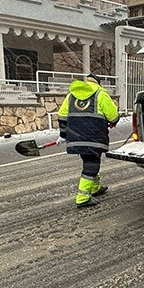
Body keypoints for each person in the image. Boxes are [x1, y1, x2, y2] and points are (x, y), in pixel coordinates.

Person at [56, 74, 119, 209]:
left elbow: (61, 116)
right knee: (91, 165)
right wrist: (113, 121)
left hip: (76, 136)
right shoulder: (100, 93)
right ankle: (83, 198)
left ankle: (95, 187)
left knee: (89, 160)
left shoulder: (72, 95)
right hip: (94, 137)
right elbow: (113, 116)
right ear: (98, 83)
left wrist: (63, 134)